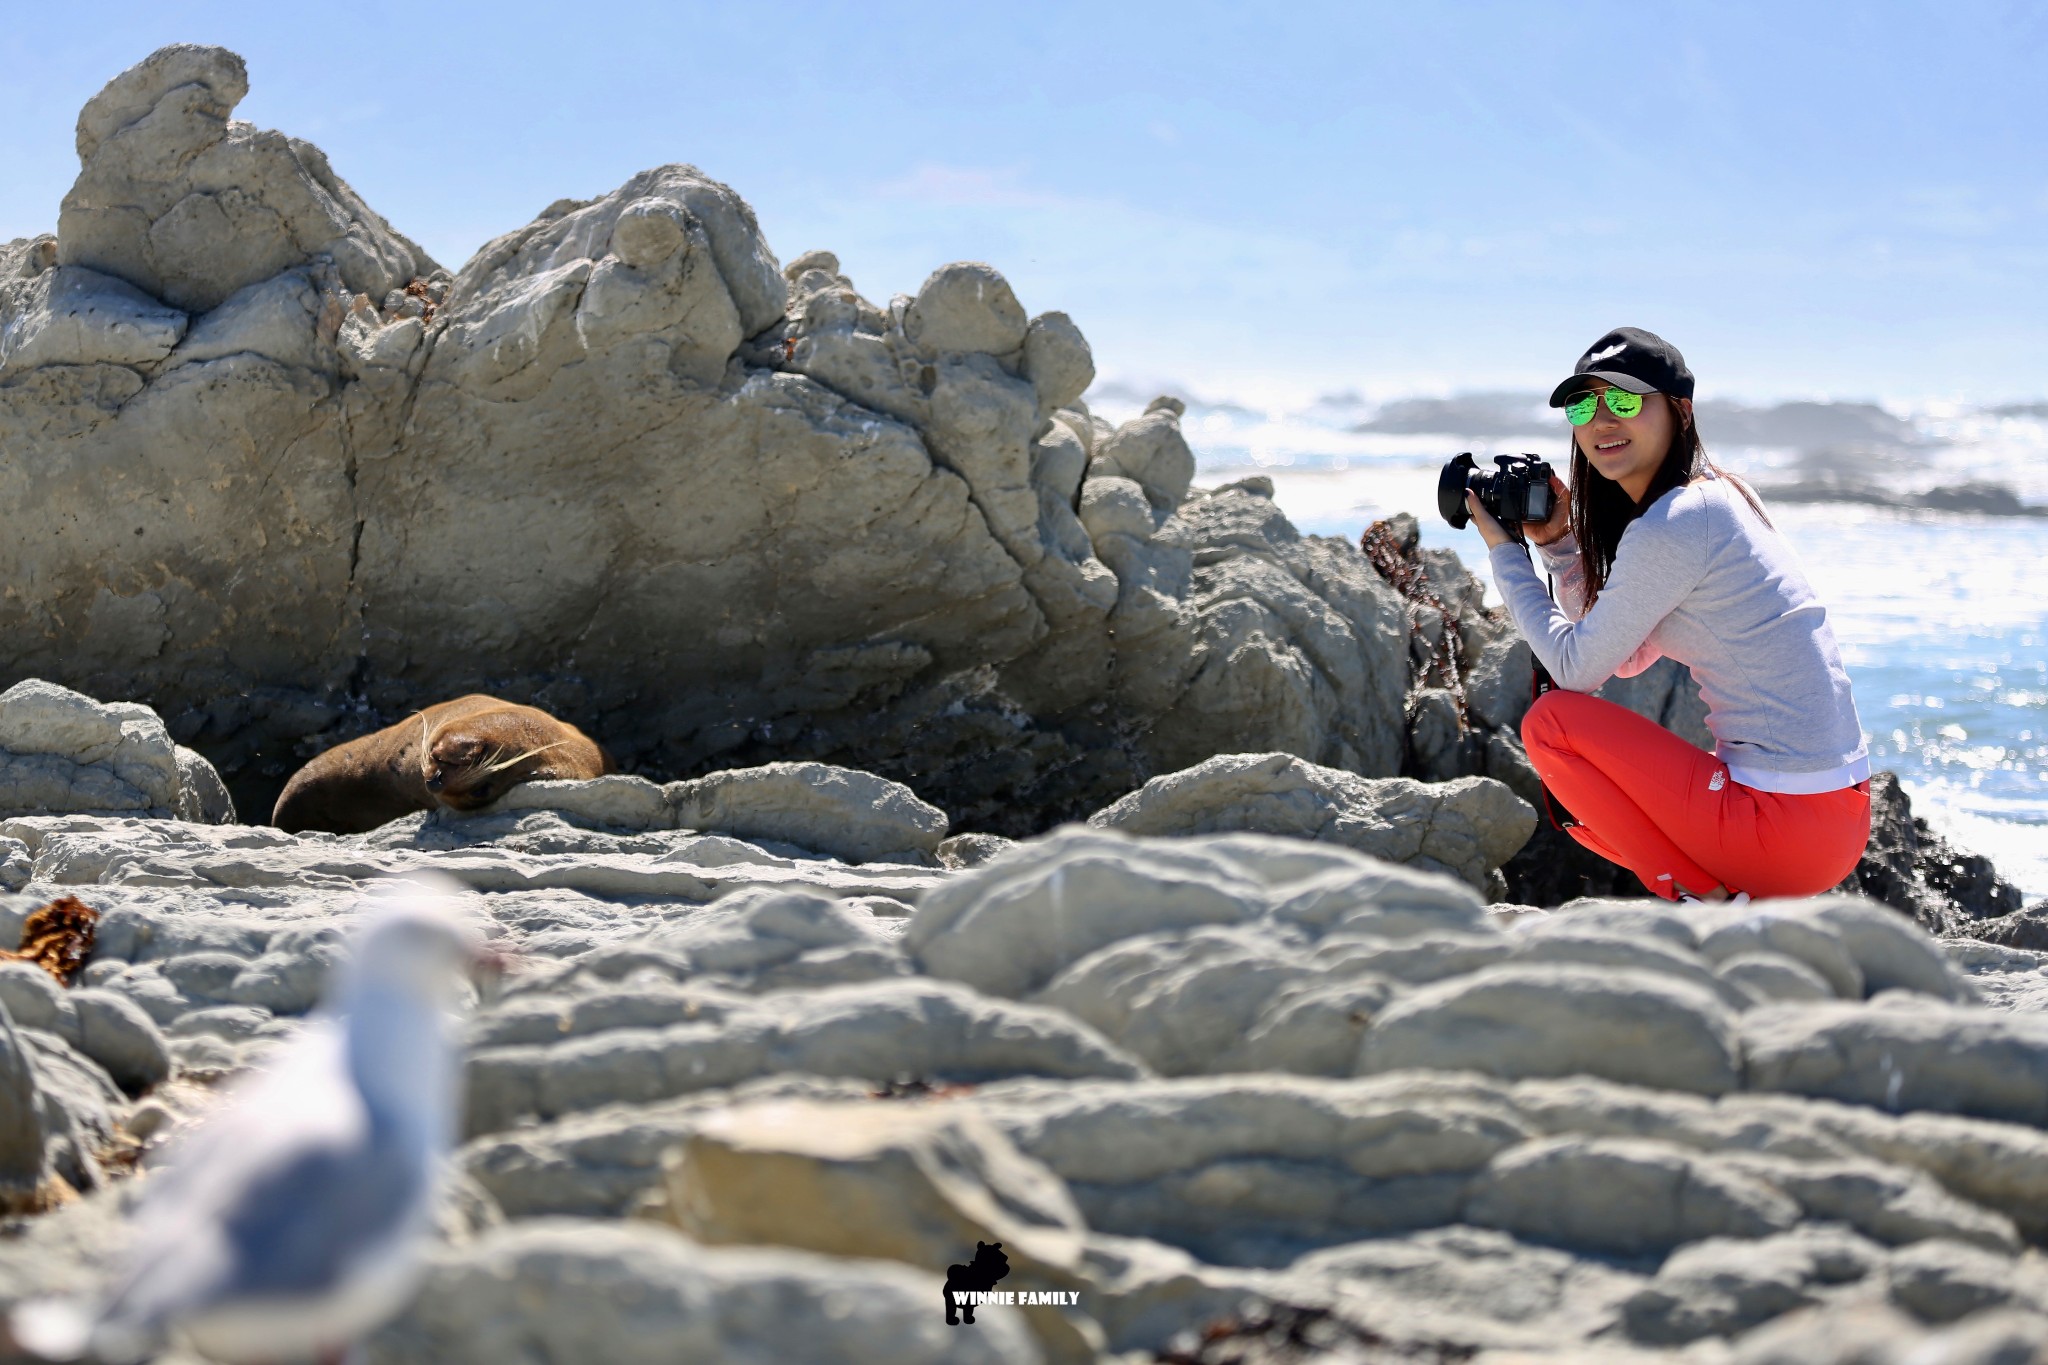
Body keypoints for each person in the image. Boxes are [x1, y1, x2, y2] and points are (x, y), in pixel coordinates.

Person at [1465, 327, 1871, 905]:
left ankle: (1697, 898)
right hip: (1832, 819)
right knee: (1600, 794)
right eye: (1584, 404)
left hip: (1786, 827)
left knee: (1551, 724)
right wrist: (1558, 545)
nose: (1603, 420)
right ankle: (1709, 891)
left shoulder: (1676, 523)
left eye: (1626, 400)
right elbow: (1624, 657)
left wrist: (1505, 552)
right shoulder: (1720, 496)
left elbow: (1576, 672)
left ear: (1679, 411)